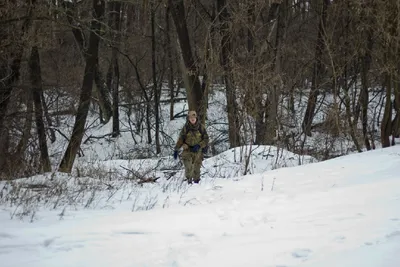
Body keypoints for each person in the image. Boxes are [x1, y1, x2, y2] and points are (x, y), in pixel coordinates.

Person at [173, 110, 209, 184]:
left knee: (197, 167)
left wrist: (199, 145)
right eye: (190, 118)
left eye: (194, 117)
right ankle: (189, 181)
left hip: (198, 149)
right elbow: (181, 139)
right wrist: (176, 149)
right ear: (188, 118)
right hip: (187, 149)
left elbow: (206, 139)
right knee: (188, 166)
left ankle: (196, 182)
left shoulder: (201, 127)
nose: (192, 119)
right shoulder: (186, 128)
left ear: (196, 118)